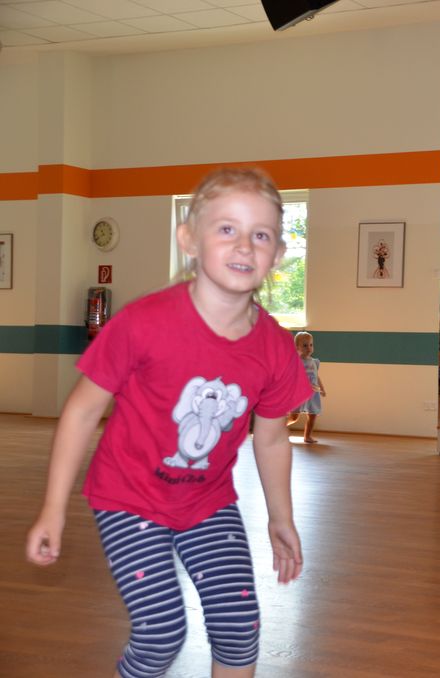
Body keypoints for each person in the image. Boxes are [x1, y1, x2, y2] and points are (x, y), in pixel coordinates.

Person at [25, 168, 310, 678]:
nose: (244, 245)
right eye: (227, 228)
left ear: (278, 255)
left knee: (239, 628)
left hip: (207, 502)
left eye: (261, 234)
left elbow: (270, 440)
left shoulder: (275, 348)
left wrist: (281, 517)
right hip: (128, 498)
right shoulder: (143, 322)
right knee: (160, 634)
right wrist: (53, 508)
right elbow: (82, 411)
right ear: (189, 239)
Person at [287, 331, 326, 444]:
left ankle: (307, 436)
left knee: (313, 415)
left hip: (313, 394)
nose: (308, 348)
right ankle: (278, 428)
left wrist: (322, 388)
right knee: (294, 417)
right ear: (297, 347)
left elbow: (316, 376)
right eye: (305, 345)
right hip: (299, 393)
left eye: (310, 345)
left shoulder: (314, 362)